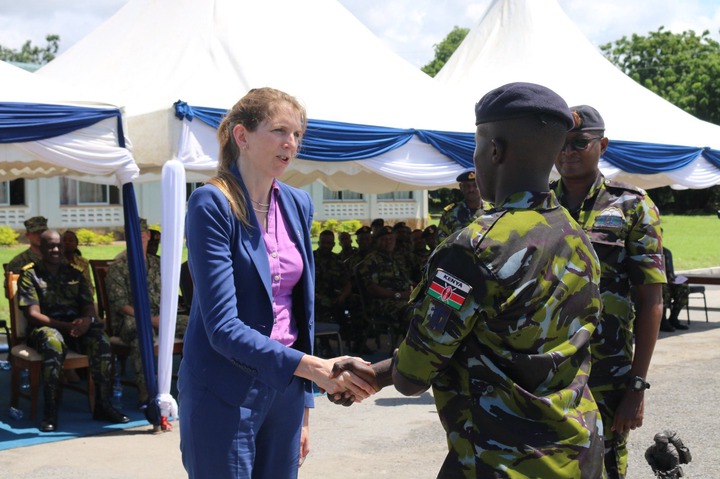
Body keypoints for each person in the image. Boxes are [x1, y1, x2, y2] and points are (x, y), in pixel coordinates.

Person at [331, 82, 605, 478]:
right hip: (577, 454)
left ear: (494, 150)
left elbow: (415, 375)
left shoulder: (475, 248)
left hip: (501, 462)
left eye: (476, 147)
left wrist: (380, 375)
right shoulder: (577, 237)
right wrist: (376, 375)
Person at [177, 87, 374, 479]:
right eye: (280, 131)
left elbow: (302, 314)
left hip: (287, 388)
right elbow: (222, 327)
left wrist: (305, 409)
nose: (291, 143)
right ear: (242, 136)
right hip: (223, 389)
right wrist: (314, 368)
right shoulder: (211, 204)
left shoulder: (298, 203)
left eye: (297, 134)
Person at [551, 104, 666, 479]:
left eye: (579, 143)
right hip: (546, 368)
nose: (567, 152)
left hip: (607, 371)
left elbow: (651, 299)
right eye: (560, 143)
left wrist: (636, 386)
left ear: (602, 145)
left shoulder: (632, 205)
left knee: (606, 464)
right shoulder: (540, 204)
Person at [16, 229, 129, 432]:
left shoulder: (75, 273)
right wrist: (66, 326)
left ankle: (103, 405)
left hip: (75, 329)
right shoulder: (30, 274)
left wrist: (86, 320)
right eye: (51, 246)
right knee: (53, 342)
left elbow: (88, 305)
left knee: (101, 340)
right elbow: (33, 314)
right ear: (41, 248)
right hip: (44, 329)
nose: (56, 250)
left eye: (59, 245)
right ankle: (50, 411)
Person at [105, 217, 188, 405]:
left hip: (161, 317)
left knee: (194, 326)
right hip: (131, 319)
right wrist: (150, 320)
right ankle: (147, 392)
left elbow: (169, 293)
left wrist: (168, 315)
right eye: (133, 235)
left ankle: (195, 381)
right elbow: (120, 304)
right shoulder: (118, 268)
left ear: (148, 236)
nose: (139, 238)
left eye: (142, 234)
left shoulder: (158, 264)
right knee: (143, 333)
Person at [5, 216, 48, 297]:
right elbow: (9, 293)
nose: (40, 235)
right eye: (35, 233)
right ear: (27, 235)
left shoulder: (56, 258)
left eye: (43, 232)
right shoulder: (18, 262)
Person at [436, 170, 482, 241]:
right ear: (461, 187)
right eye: (467, 186)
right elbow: (441, 240)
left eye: (475, 185)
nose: (471, 190)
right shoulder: (450, 213)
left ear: (482, 186)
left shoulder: (492, 210)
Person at [660, 246, 689, 332]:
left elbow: (670, 273)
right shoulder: (648, 251)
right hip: (656, 283)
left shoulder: (666, 252)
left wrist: (673, 279)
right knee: (664, 290)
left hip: (668, 282)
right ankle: (662, 320)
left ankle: (674, 318)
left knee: (683, 288)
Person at [62, 230, 95, 297]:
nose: (67, 243)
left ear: (76, 244)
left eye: (71, 240)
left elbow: (89, 285)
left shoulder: (83, 262)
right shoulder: (54, 262)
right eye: (64, 240)